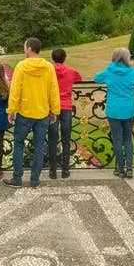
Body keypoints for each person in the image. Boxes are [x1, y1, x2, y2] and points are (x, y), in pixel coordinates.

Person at [4, 38, 60, 188]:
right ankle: (34, 180)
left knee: (18, 143)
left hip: (25, 111)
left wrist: (11, 110)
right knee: (39, 146)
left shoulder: (22, 66)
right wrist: (54, 110)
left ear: (29, 49)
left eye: (24, 47)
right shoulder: (48, 67)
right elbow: (53, 90)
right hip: (42, 112)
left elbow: (15, 90)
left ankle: (17, 178)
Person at [93, 48, 134, 178]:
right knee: (127, 139)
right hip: (129, 109)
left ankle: (119, 169)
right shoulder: (132, 71)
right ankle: (129, 168)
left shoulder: (110, 71)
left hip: (114, 110)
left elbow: (96, 78)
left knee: (117, 139)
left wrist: (109, 68)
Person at [48, 49, 82, 179]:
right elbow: (79, 78)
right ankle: (65, 170)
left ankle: (52, 171)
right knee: (66, 139)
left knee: (52, 138)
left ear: (52, 58)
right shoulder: (71, 71)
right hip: (66, 106)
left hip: (52, 107)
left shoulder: (49, 71)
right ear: (64, 58)